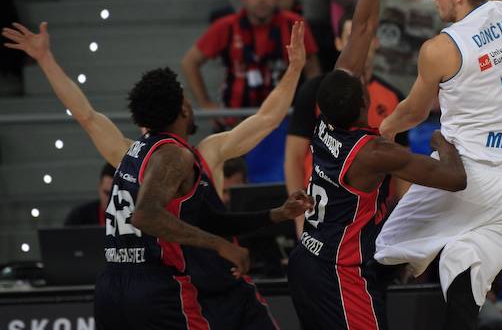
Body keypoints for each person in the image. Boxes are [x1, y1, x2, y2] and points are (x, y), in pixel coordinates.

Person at [2, 22, 313, 329]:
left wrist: (46, 60)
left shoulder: (168, 153)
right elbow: (267, 118)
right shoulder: (178, 154)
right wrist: (295, 67)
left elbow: (85, 114)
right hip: (173, 282)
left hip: (178, 280)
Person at [310, 0, 502, 330]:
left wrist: (378, 134)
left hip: (467, 178)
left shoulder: (441, 48)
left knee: (376, 254)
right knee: (460, 265)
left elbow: (412, 113)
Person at [288, 0, 469, 330]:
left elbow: (364, 23)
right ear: (365, 101)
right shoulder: (373, 151)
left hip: (306, 259)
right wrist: (445, 141)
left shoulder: (326, 118)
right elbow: (455, 178)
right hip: (339, 271)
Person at [284, 12, 407, 227]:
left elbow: (402, 166)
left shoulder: (394, 97)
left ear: (375, 42)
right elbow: (294, 158)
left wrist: (404, 217)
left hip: (375, 215)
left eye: (364, 36)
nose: (359, 43)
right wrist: (299, 218)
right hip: (322, 212)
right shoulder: (315, 91)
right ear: (338, 42)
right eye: (351, 36)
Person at [182, 0, 320, 119]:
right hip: (234, 123)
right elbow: (189, 62)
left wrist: (313, 107)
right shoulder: (226, 26)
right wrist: (205, 104)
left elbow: (313, 71)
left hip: (282, 120)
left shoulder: (295, 24)